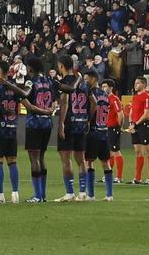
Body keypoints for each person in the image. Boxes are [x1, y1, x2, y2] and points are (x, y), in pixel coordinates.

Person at [0, 61, 52, 204]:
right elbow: (28, 106)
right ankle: (15, 193)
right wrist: (46, 111)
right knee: (12, 161)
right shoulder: (16, 89)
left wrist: (1, 110)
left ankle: (0, 195)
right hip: (12, 129)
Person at [22, 56, 58, 202]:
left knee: (34, 158)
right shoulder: (49, 81)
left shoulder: (31, 82)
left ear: (30, 68)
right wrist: (50, 110)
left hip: (34, 124)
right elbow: (56, 99)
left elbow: (26, 100)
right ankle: (42, 195)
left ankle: (37, 195)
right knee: (42, 157)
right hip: (47, 124)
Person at [54, 55, 90, 202]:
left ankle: (69, 193)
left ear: (61, 66)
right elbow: (92, 102)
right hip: (81, 123)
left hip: (68, 123)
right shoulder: (83, 84)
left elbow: (64, 102)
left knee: (66, 159)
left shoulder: (63, 83)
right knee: (81, 159)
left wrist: (61, 123)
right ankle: (82, 192)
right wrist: (87, 119)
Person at [84, 73, 114, 201]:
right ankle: (109, 195)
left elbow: (91, 108)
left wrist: (87, 121)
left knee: (88, 162)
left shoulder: (91, 94)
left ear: (93, 79)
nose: (85, 81)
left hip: (93, 131)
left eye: (87, 79)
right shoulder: (106, 95)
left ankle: (90, 195)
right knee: (106, 162)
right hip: (104, 131)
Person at [126, 76, 149, 185]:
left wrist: (135, 124)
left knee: (148, 150)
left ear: (143, 84)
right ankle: (137, 178)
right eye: (135, 83)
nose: (135, 85)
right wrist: (130, 124)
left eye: (137, 83)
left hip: (143, 125)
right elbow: (131, 111)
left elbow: (147, 115)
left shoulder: (147, 97)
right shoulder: (134, 97)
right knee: (138, 151)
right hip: (134, 126)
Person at [105, 77, 125, 182]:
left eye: (105, 86)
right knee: (109, 152)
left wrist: (119, 126)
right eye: (102, 86)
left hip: (113, 127)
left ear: (111, 88)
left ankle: (119, 177)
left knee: (116, 151)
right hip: (107, 128)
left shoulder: (115, 99)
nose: (103, 88)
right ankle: (109, 175)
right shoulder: (104, 99)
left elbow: (120, 114)